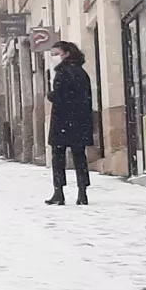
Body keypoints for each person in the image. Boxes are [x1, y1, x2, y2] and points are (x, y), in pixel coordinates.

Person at [46, 40, 94, 205]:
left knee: (58, 157)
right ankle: (82, 192)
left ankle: (58, 192)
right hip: (79, 120)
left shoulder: (62, 72)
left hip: (62, 121)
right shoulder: (81, 72)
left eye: (56, 54)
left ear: (66, 54)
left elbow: (61, 96)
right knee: (79, 156)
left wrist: (51, 95)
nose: (53, 58)